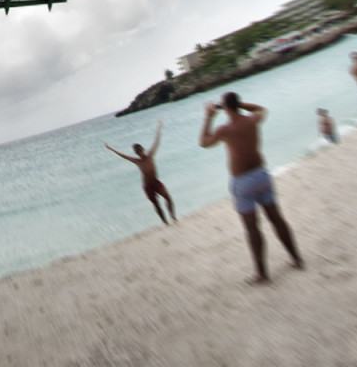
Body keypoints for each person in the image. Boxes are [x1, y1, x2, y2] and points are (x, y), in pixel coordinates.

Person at [199, 93, 303, 284]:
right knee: (277, 219)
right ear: (237, 104)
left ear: (225, 108)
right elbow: (261, 109)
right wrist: (237, 104)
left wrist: (209, 116)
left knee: (252, 229)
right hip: (261, 175)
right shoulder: (252, 120)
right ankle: (297, 259)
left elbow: (204, 143)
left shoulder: (225, 129)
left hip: (243, 182)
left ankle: (262, 274)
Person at [105, 122, 177, 225]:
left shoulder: (150, 155)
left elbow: (157, 142)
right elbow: (124, 156)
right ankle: (165, 222)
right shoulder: (137, 161)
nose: (139, 152)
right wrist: (111, 149)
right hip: (147, 186)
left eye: (139, 149)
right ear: (136, 153)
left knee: (168, 197)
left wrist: (159, 128)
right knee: (156, 204)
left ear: (143, 149)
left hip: (156, 182)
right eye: (136, 151)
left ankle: (173, 217)